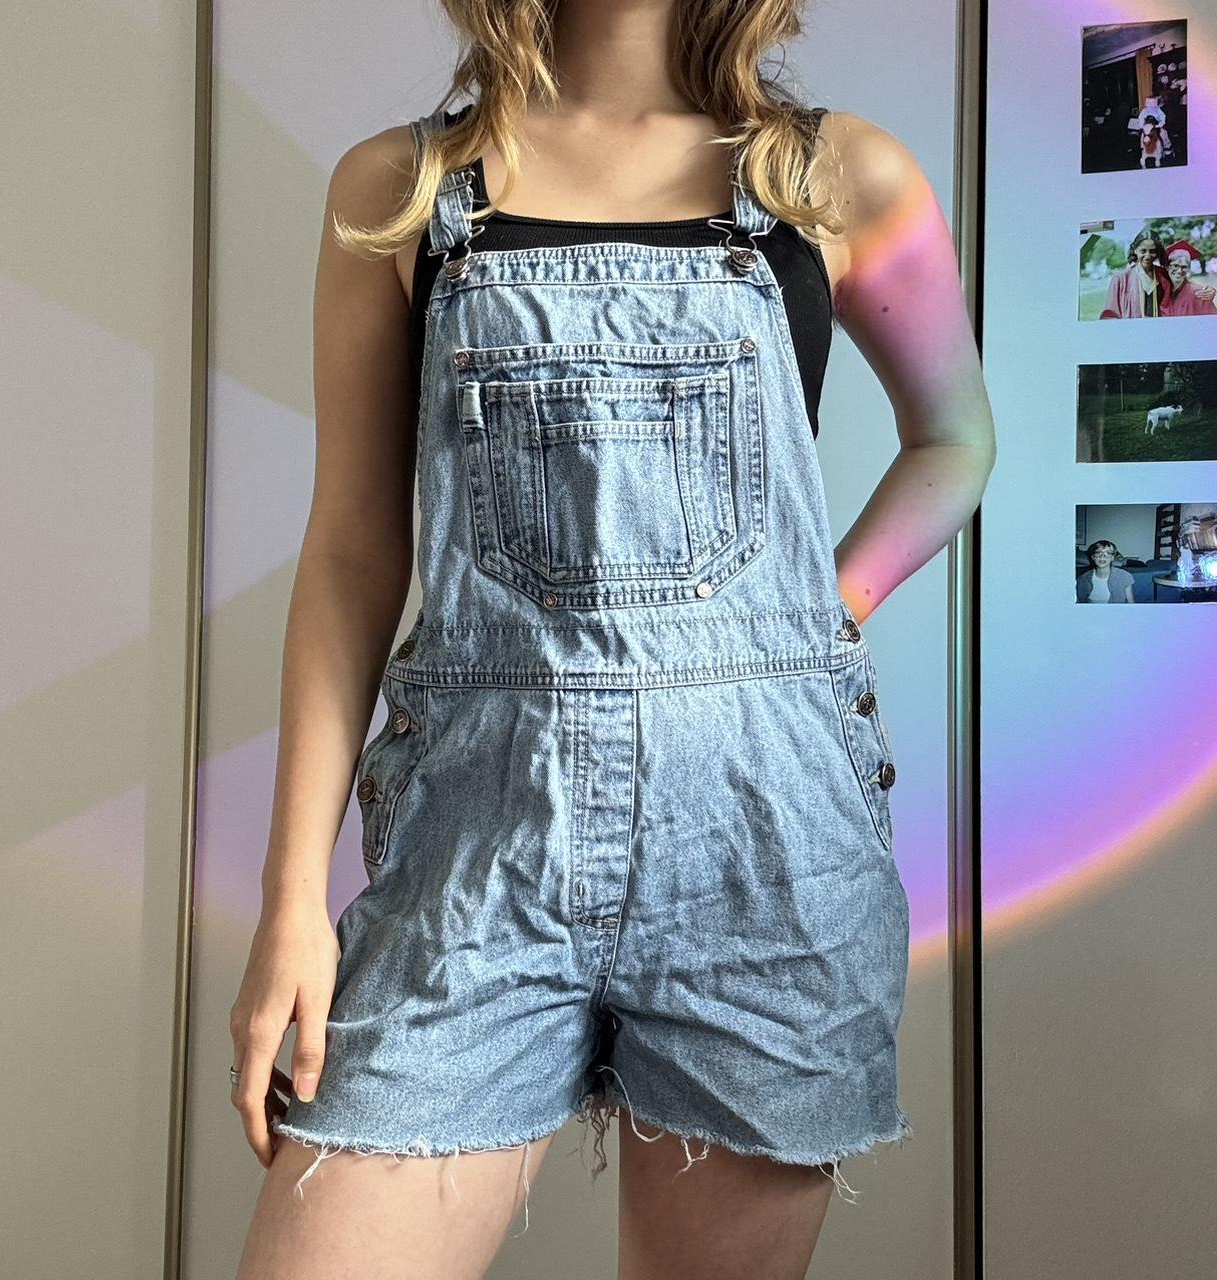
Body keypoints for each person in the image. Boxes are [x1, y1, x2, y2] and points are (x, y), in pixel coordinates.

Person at [231, 2, 996, 1276]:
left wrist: (822, 613)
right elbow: (353, 550)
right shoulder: (399, 191)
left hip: (766, 850)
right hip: (474, 851)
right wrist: (289, 905)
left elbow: (956, 438)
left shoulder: (834, 176)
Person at [1099, 228, 1170, 318]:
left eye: (1152, 251)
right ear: (1135, 250)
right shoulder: (1120, 279)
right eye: (1143, 251)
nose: (1148, 256)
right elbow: (1110, 315)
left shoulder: (1163, 275)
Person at [1159, 239, 1217, 316]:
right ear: (1167, 267)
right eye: (1175, 266)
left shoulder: (1199, 293)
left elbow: (1211, 319)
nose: (1179, 271)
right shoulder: (1161, 291)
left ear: (1188, 269)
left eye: (1184, 267)